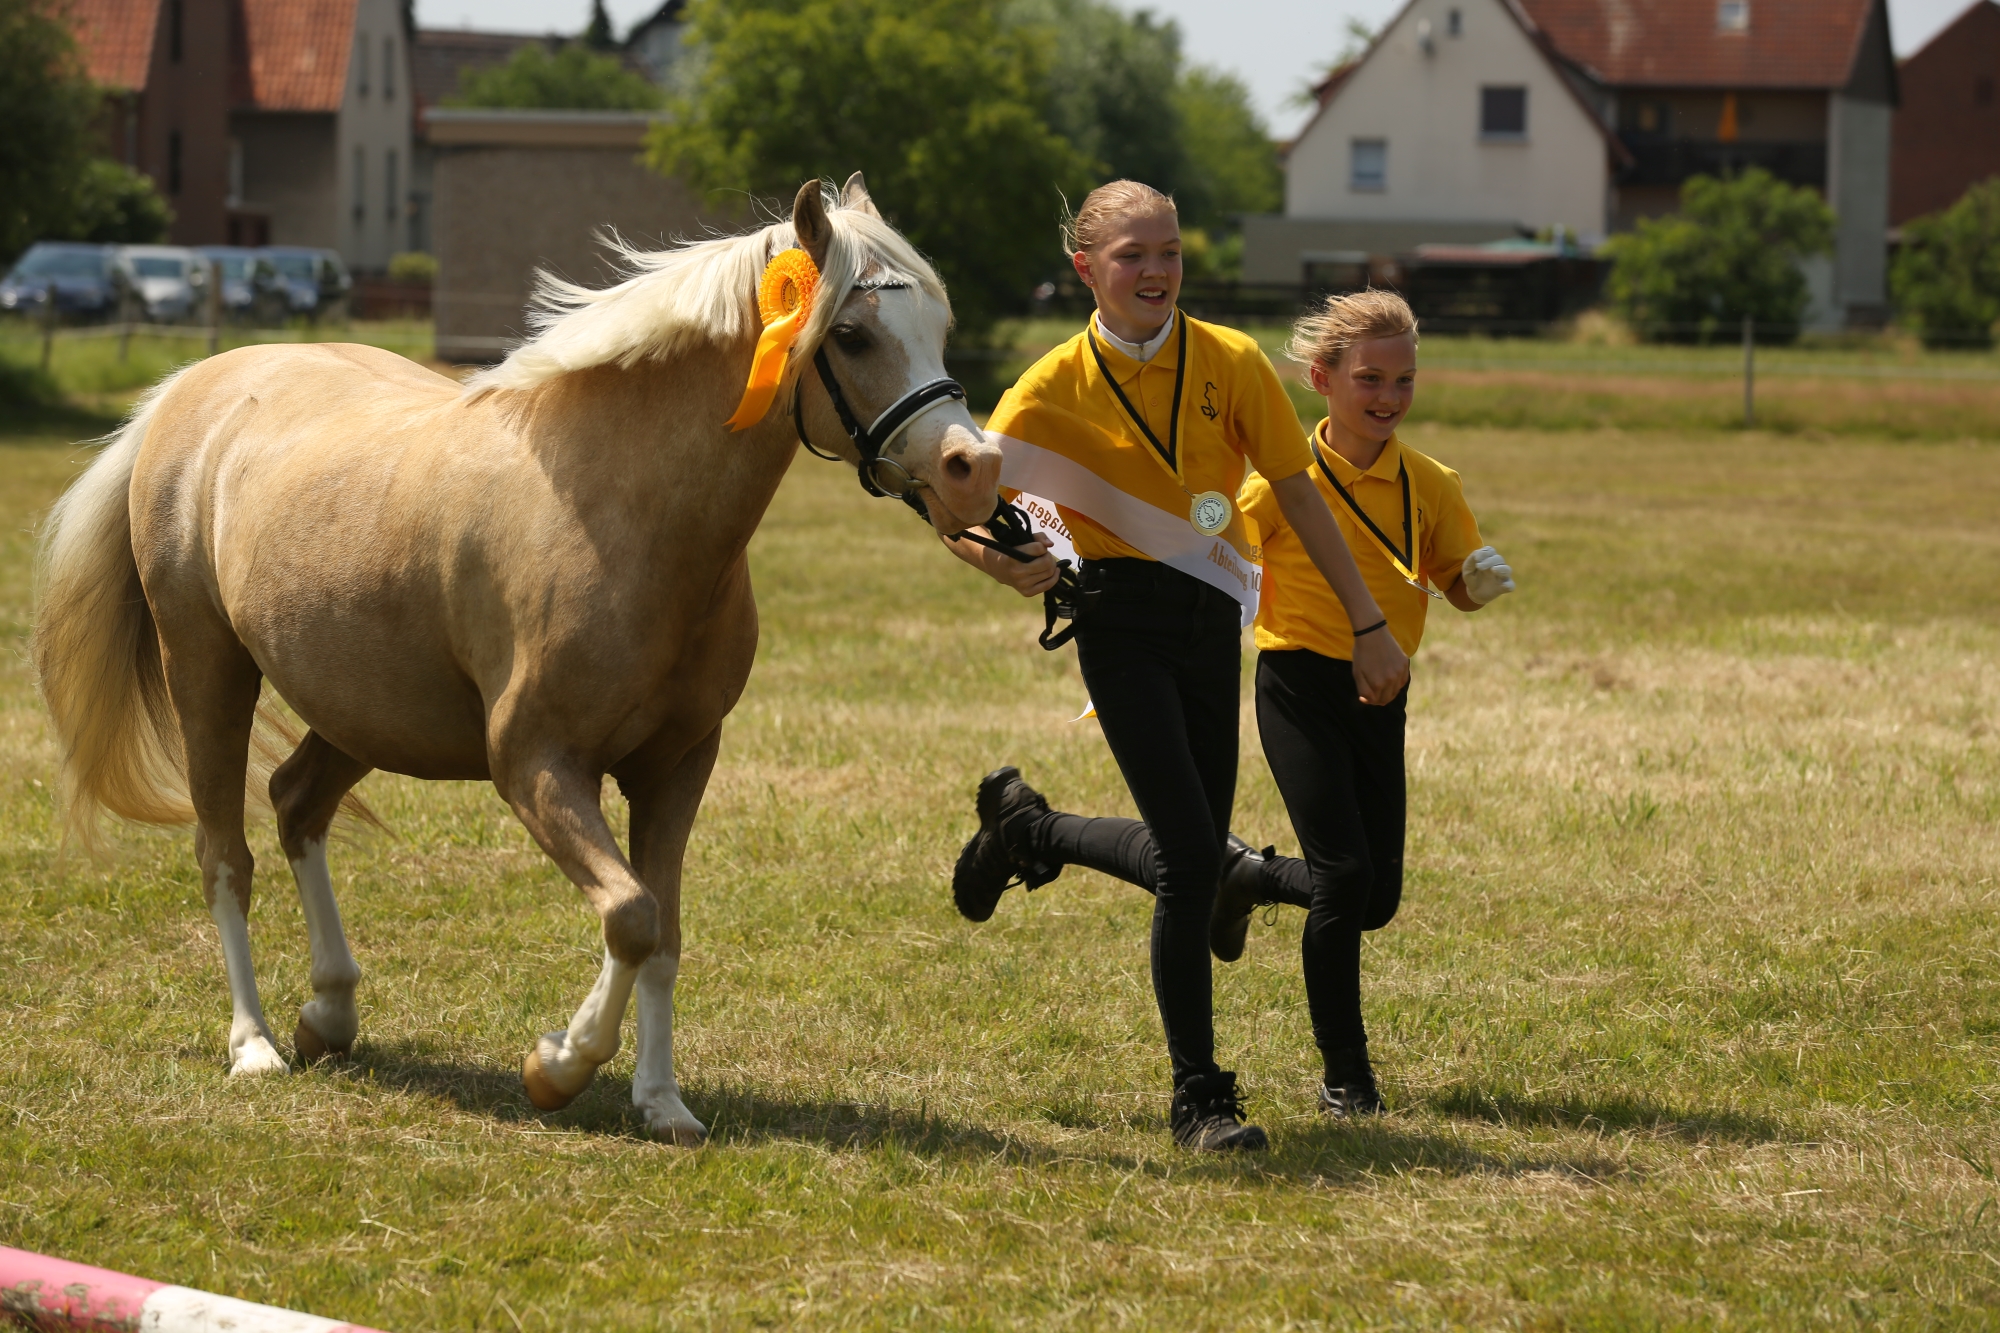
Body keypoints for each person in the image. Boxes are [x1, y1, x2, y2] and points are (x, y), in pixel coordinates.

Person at [959, 287, 1516, 1121]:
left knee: (1356, 893)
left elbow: (1424, 562)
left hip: (1319, 670)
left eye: (1404, 380)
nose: (1389, 397)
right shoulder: (1067, 391)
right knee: (1295, 871)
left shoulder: (1421, 476)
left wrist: (1460, 587)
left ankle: (1050, 833)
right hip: (1256, 669)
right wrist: (1051, 552)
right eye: (1370, 378)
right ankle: (1302, 1084)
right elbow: (979, 501)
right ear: (1324, 379)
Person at [940, 180, 1410, 1152]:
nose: (1155, 271)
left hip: (1208, 625)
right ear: (1085, 269)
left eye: (1168, 252)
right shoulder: (1046, 386)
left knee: (1186, 855)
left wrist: (1367, 622)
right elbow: (957, 506)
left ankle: (1033, 828)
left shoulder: (1229, 361)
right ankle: (1200, 1099)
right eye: (1131, 256)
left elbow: (1298, 494)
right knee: (1193, 857)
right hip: (1115, 627)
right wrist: (998, 559)